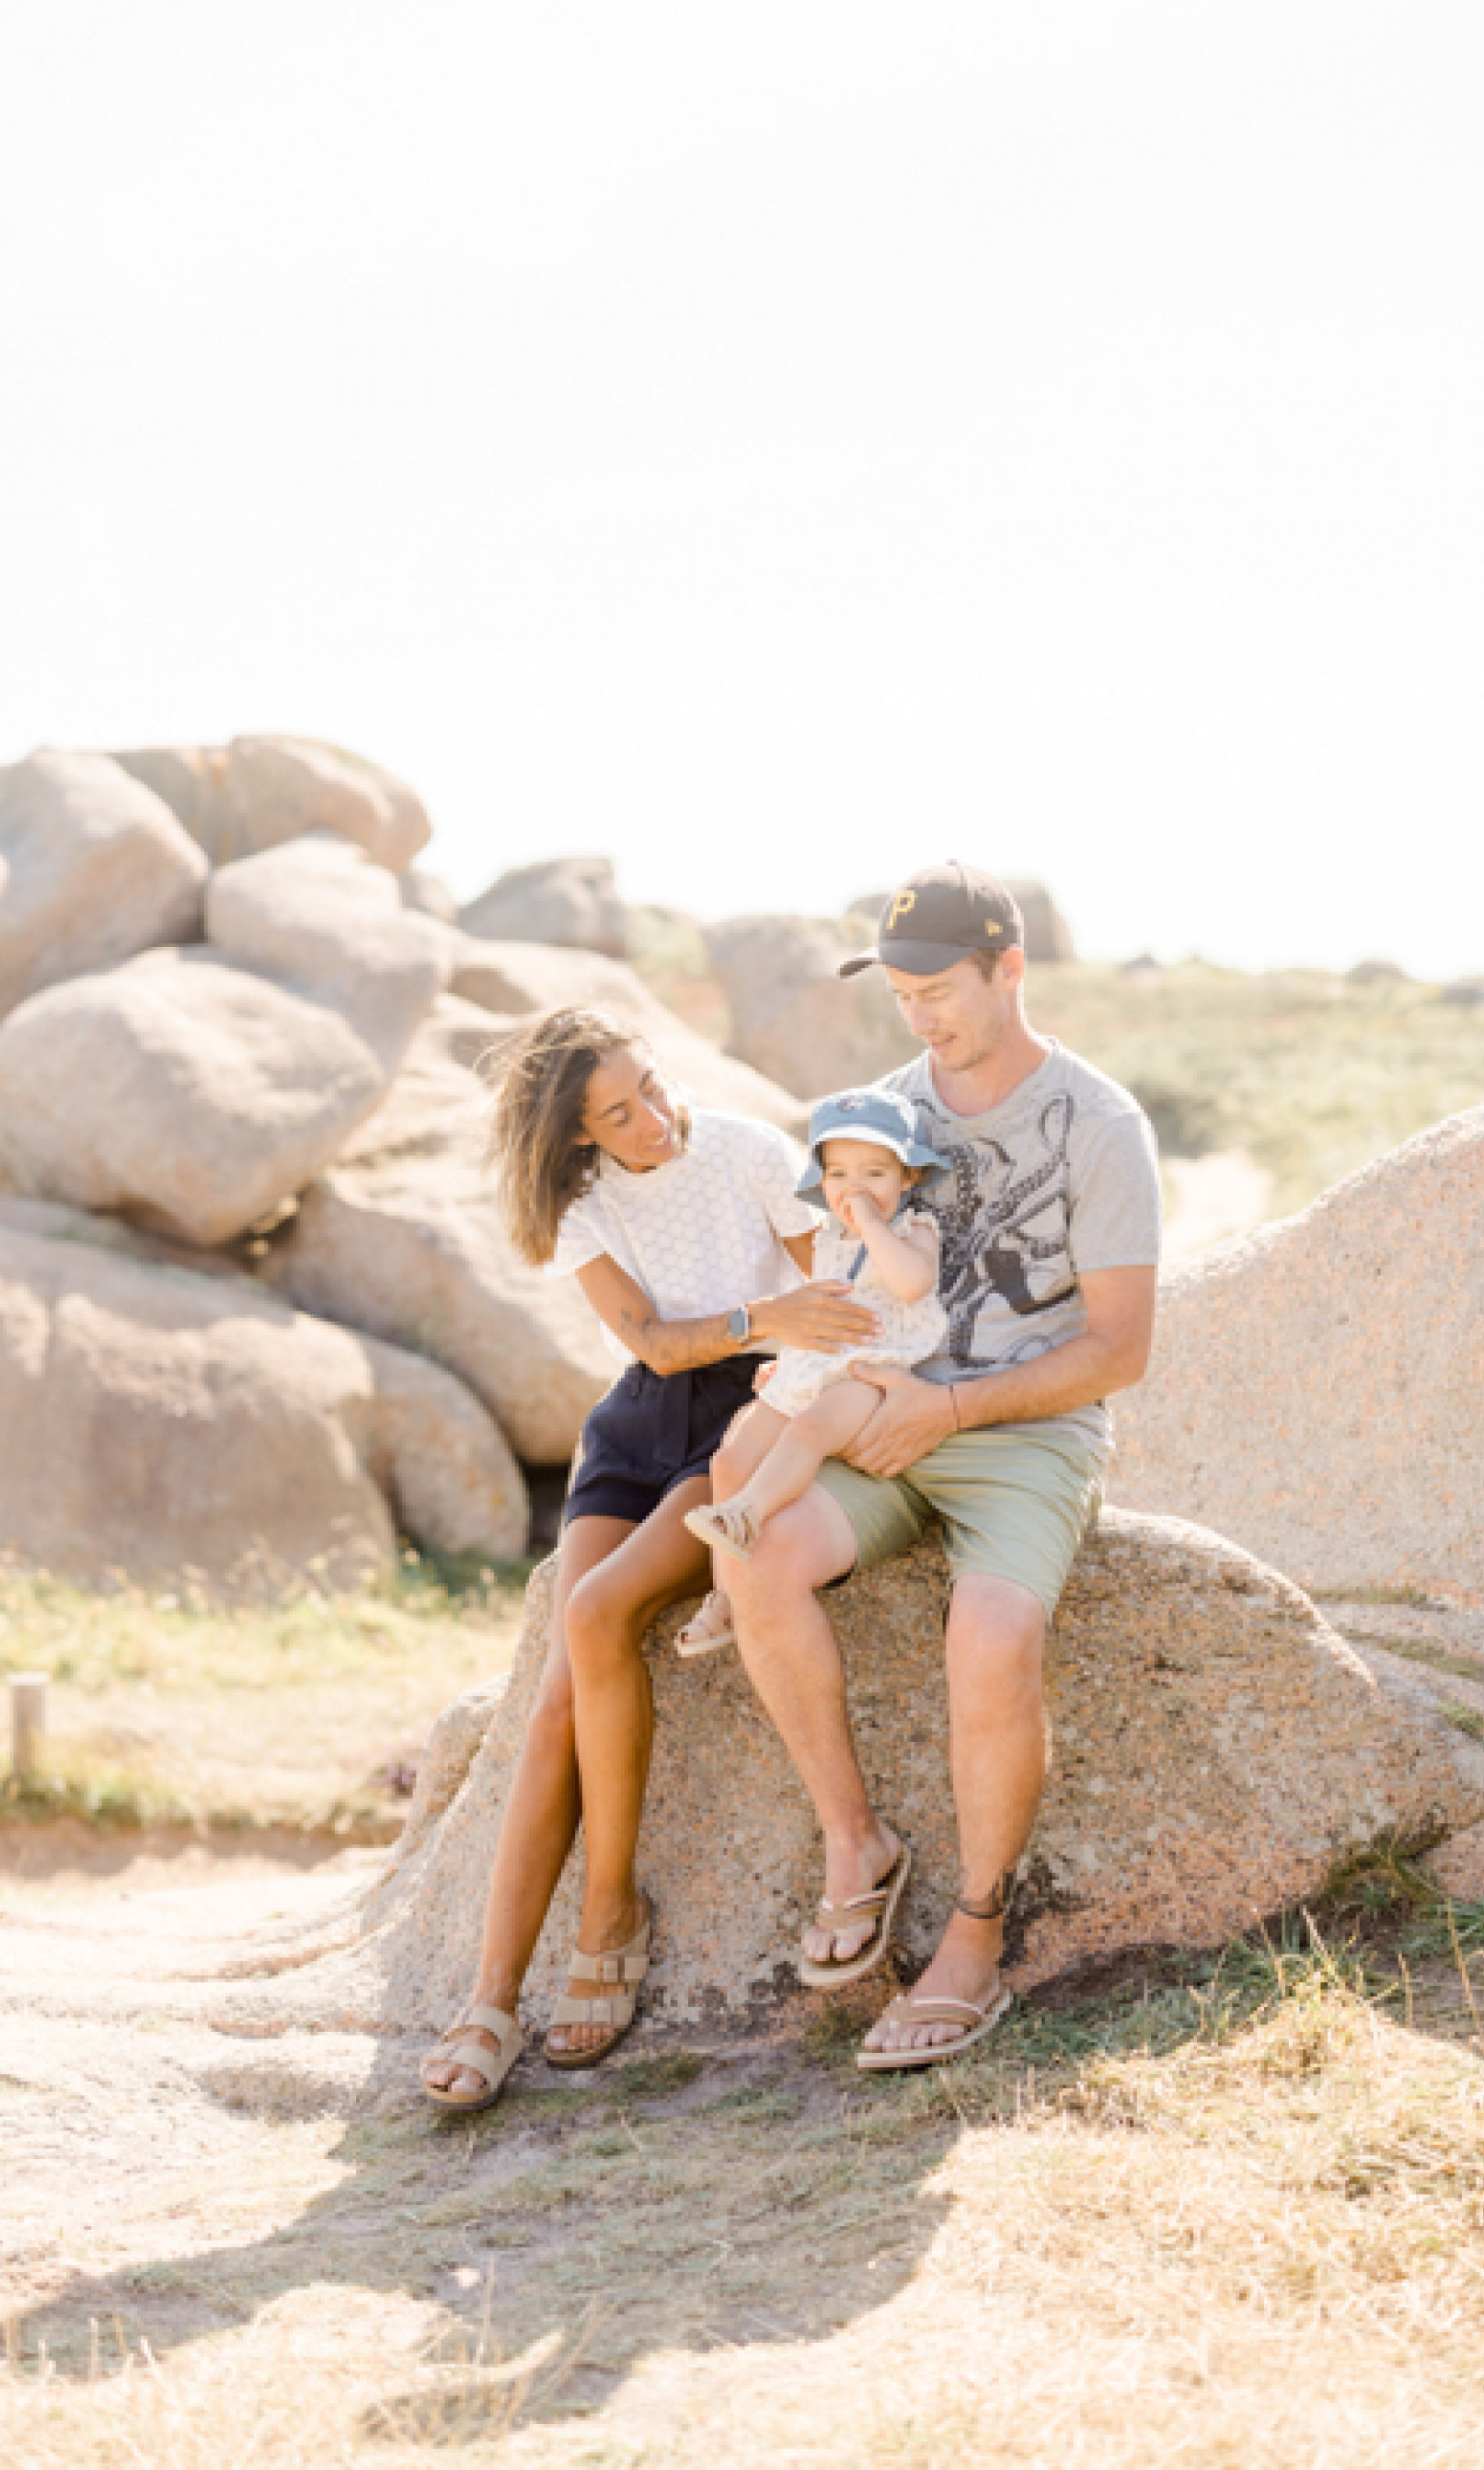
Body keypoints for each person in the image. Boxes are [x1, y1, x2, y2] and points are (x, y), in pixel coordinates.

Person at [713, 863, 1161, 2068]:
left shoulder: (1100, 1124)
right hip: (875, 1415)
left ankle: (974, 1936)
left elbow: (1120, 1350)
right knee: (757, 1556)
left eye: (939, 989)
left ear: (1009, 969)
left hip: (1022, 1427)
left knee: (995, 1640)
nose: (919, 1017)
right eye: (900, 993)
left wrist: (953, 1409)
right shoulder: (881, 1115)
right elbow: (837, 1269)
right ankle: (855, 1845)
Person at [420, 1007, 876, 2113]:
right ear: (579, 1136)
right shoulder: (583, 1208)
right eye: (618, 1113)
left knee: (596, 1610)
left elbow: (834, 1310)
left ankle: (608, 1914)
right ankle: (491, 1995)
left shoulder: (751, 1152)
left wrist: (774, 1344)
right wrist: (761, 1309)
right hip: (632, 1431)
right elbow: (657, 1345)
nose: (656, 1118)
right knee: (553, 1704)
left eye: (654, 1087)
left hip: (740, 1419)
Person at [678, 1090, 948, 1641]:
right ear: (823, 1184)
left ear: (908, 1179)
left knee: (812, 1428)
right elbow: (821, 1312)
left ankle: (749, 1513)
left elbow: (911, 1283)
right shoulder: (827, 1239)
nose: (857, 1188)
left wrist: (873, 1225)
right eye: (841, 1174)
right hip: (815, 1366)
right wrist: (788, 1361)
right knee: (730, 1459)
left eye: (875, 1172)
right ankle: (725, 1595)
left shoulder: (912, 1231)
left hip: (873, 1373)